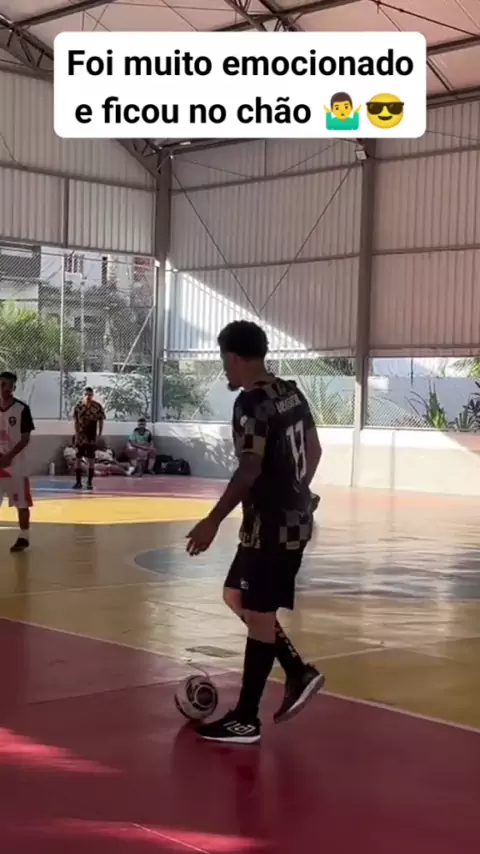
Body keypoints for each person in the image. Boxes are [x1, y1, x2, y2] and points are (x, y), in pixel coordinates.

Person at [186, 321, 324, 744]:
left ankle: (246, 719)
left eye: (223, 360)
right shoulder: (290, 393)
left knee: (260, 616)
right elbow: (315, 449)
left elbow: (249, 468)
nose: (224, 369)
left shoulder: (252, 404)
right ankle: (297, 671)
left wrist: (212, 520)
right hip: (284, 522)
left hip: (271, 528)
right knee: (236, 595)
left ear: (233, 357)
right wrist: (300, 491)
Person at [0, 371, 35, 553]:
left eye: (8, 385)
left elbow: (25, 438)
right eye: (1, 384)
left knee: (21, 503)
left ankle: (24, 536)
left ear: (13, 387)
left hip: (16, 465)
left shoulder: (22, 409)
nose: (5, 389)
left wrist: (9, 456)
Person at [72, 387, 105, 490]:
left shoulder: (97, 406)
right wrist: (76, 434)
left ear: (92, 395)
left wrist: (100, 433)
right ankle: (78, 482)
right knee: (78, 457)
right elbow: (76, 421)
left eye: (89, 395)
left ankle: (89, 482)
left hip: (91, 436)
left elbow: (101, 420)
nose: (88, 397)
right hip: (81, 436)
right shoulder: (79, 406)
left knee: (91, 458)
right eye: (86, 394)